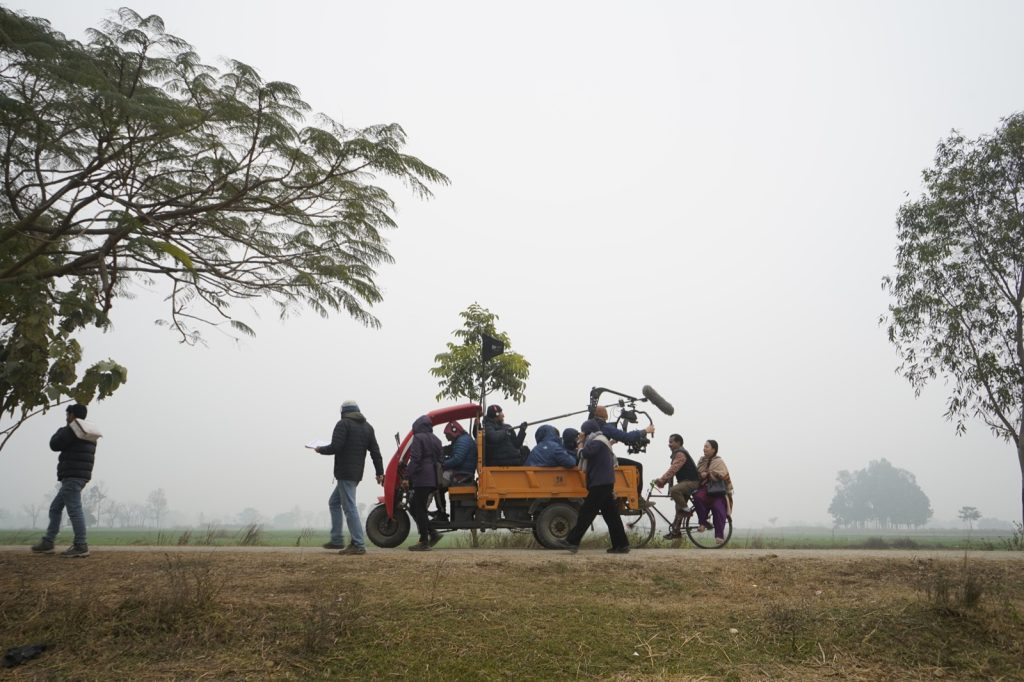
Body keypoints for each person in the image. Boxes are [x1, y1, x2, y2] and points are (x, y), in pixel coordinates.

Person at [315, 400, 384, 556]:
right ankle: (337, 539)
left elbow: (335, 447)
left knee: (349, 507)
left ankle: (358, 544)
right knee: (334, 502)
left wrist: (320, 449)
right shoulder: (368, 428)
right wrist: (380, 472)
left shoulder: (343, 424)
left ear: (343, 412)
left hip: (345, 472)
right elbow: (375, 452)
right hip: (356, 473)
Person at [31, 404, 100, 558]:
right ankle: (48, 541)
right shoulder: (88, 431)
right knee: (55, 508)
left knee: (74, 510)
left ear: (72, 415)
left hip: (72, 475)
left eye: (67, 414)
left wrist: (64, 429)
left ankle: (81, 545)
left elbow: (54, 444)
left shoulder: (72, 429)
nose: (66, 418)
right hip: (80, 475)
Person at [564, 419, 630, 554]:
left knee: (586, 513)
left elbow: (583, 454)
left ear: (588, 432)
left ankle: (571, 542)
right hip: (605, 482)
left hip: (600, 483)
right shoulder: (601, 440)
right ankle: (621, 544)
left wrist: (580, 442)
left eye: (584, 432)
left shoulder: (597, 441)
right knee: (611, 516)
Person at [593, 405, 653, 503]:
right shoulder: (604, 426)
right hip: (603, 462)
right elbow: (627, 437)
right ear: (605, 415)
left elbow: (597, 444)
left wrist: (611, 442)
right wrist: (645, 431)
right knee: (638, 466)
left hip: (596, 460)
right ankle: (638, 499)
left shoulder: (592, 426)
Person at [402, 415, 443, 551]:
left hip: (422, 478)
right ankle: (433, 533)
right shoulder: (437, 440)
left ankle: (424, 541)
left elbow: (415, 459)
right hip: (433, 478)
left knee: (418, 508)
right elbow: (440, 459)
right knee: (416, 507)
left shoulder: (418, 438)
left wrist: (406, 476)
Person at [651, 434, 699, 539]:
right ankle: (676, 532)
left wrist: (662, 480)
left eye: (671, 442)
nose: (669, 444)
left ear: (679, 443)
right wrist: (663, 482)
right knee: (678, 508)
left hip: (691, 482)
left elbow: (673, 469)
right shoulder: (677, 454)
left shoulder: (680, 454)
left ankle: (687, 511)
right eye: (669, 442)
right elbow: (673, 472)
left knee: (674, 491)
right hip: (686, 482)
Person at [690, 439, 733, 545]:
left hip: (717, 491)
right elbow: (697, 474)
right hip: (704, 488)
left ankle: (719, 535)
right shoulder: (701, 460)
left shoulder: (719, 461)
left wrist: (710, 474)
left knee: (718, 508)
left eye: (707, 447)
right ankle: (702, 523)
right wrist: (701, 475)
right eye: (704, 446)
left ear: (713, 449)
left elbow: (724, 474)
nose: (704, 449)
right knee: (697, 497)